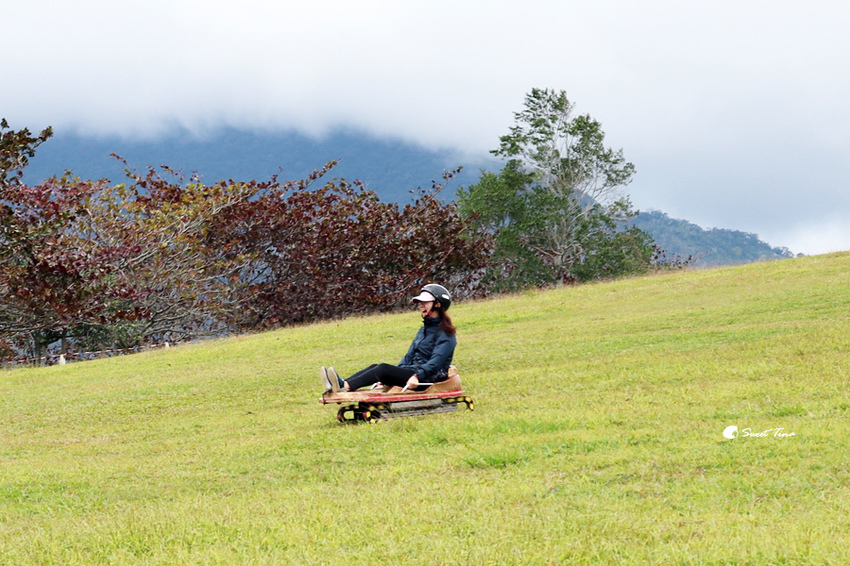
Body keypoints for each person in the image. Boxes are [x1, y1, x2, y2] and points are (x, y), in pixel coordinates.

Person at [320, 284, 457, 393]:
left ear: (438, 304)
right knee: (377, 368)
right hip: (414, 373)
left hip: (426, 379)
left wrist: (417, 377)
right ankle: (342, 384)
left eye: (425, 302)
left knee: (383, 369)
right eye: (419, 302)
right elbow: (408, 357)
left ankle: (345, 385)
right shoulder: (424, 330)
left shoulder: (446, 334)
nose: (420, 305)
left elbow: (436, 363)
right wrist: (391, 377)